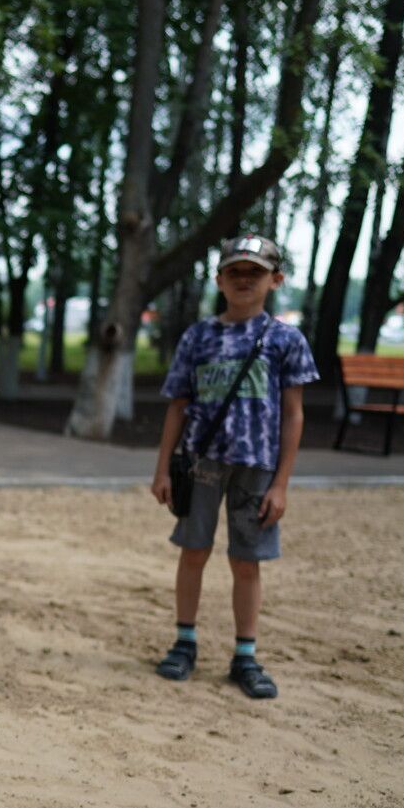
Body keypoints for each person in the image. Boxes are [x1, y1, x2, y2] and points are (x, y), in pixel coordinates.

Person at [148, 234, 318, 699]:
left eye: (256, 272)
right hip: (201, 463)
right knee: (193, 551)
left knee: (247, 561)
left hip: (257, 467)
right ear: (220, 280)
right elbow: (177, 406)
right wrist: (163, 468)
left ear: (275, 280)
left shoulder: (286, 340)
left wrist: (281, 484)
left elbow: (294, 414)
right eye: (235, 272)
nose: (245, 280)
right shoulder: (198, 336)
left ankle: (245, 654)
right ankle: (184, 643)